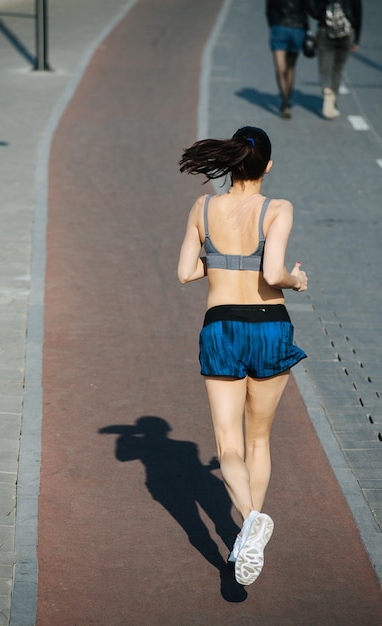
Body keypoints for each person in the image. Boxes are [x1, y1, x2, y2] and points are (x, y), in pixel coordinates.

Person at [177, 126, 308, 586]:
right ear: (266, 166)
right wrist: (295, 280)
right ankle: (250, 527)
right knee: (259, 441)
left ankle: (251, 523)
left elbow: (185, 272)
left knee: (228, 445)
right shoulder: (278, 209)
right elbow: (272, 270)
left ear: (231, 163)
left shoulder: (203, 207)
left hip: (221, 327)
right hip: (270, 326)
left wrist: (219, 259)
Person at [307, 0, 362, 119]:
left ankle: (327, 92)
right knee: (338, 68)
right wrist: (356, 39)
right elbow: (358, 13)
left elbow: (312, 8)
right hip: (346, 31)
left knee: (324, 68)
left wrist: (322, 14)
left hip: (325, 30)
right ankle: (334, 100)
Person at [266, 0, 310, 118]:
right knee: (290, 67)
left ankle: (285, 102)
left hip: (279, 28)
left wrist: (273, 25)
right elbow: (310, 8)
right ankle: (287, 101)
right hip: (297, 29)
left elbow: (269, 11)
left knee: (280, 68)